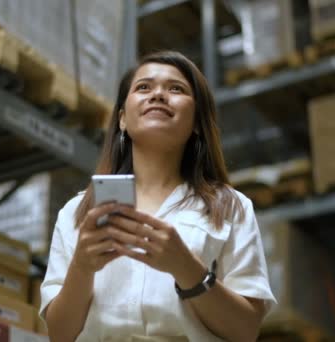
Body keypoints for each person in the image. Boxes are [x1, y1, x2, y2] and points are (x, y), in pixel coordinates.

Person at [39, 51, 276, 341]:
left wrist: (186, 268)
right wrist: (82, 266)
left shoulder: (231, 207)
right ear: (123, 119)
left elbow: (246, 330)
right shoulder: (77, 213)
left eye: (176, 89)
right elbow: (59, 335)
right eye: (144, 87)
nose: (159, 95)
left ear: (198, 123)